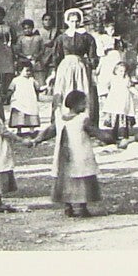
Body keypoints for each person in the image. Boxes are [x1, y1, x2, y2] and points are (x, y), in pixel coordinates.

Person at [34, 89, 113, 218]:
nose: (86, 105)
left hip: (63, 155)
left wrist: (38, 139)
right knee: (81, 178)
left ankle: (68, 206)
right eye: (83, 103)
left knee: (66, 179)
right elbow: (95, 132)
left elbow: (50, 131)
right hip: (80, 154)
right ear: (75, 105)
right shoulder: (83, 119)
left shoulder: (60, 118)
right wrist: (110, 139)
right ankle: (82, 207)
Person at [49, 8, 99, 118]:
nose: (74, 23)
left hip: (81, 67)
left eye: (76, 21)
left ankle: (83, 119)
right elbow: (57, 55)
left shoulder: (87, 37)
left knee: (82, 89)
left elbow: (92, 55)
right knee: (64, 90)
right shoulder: (62, 37)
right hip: (65, 67)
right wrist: (54, 71)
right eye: (71, 21)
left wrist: (93, 69)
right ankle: (63, 117)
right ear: (67, 21)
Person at [100, 58, 138, 140]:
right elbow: (105, 85)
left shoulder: (126, 79)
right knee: (115, 116)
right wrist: (104, 94)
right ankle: (114, 134)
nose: (122, 73)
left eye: (124, 71)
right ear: (116, 71)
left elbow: (131, 87)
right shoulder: (113, 79)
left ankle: (125, 134)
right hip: (116, 99)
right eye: (120, 71)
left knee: (125, 117)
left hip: (124, 100)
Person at [8, 61, 43, 138]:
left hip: (29, 100)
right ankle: (19, 130)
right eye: (26, 71)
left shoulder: (32, 80)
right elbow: (10, 89)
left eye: (30, 71)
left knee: (31, 113)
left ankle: (32, 130)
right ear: (20, 71)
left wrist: (38, 94)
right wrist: (8, 97)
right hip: (19, 100)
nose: (28, 73)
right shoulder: (16, 80)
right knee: (19, 115)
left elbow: (38, 88)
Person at [15, 18, 47, 85]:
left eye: (29, 28)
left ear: (32, 28)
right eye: (25, 28)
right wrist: (26, 57)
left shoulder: (38, 38)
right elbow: (18, 51)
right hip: (23, 62)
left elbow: (42, 49)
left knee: (39, 82)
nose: (27, 30)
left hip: (37, 62)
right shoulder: (21, 39)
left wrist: (35, 56)